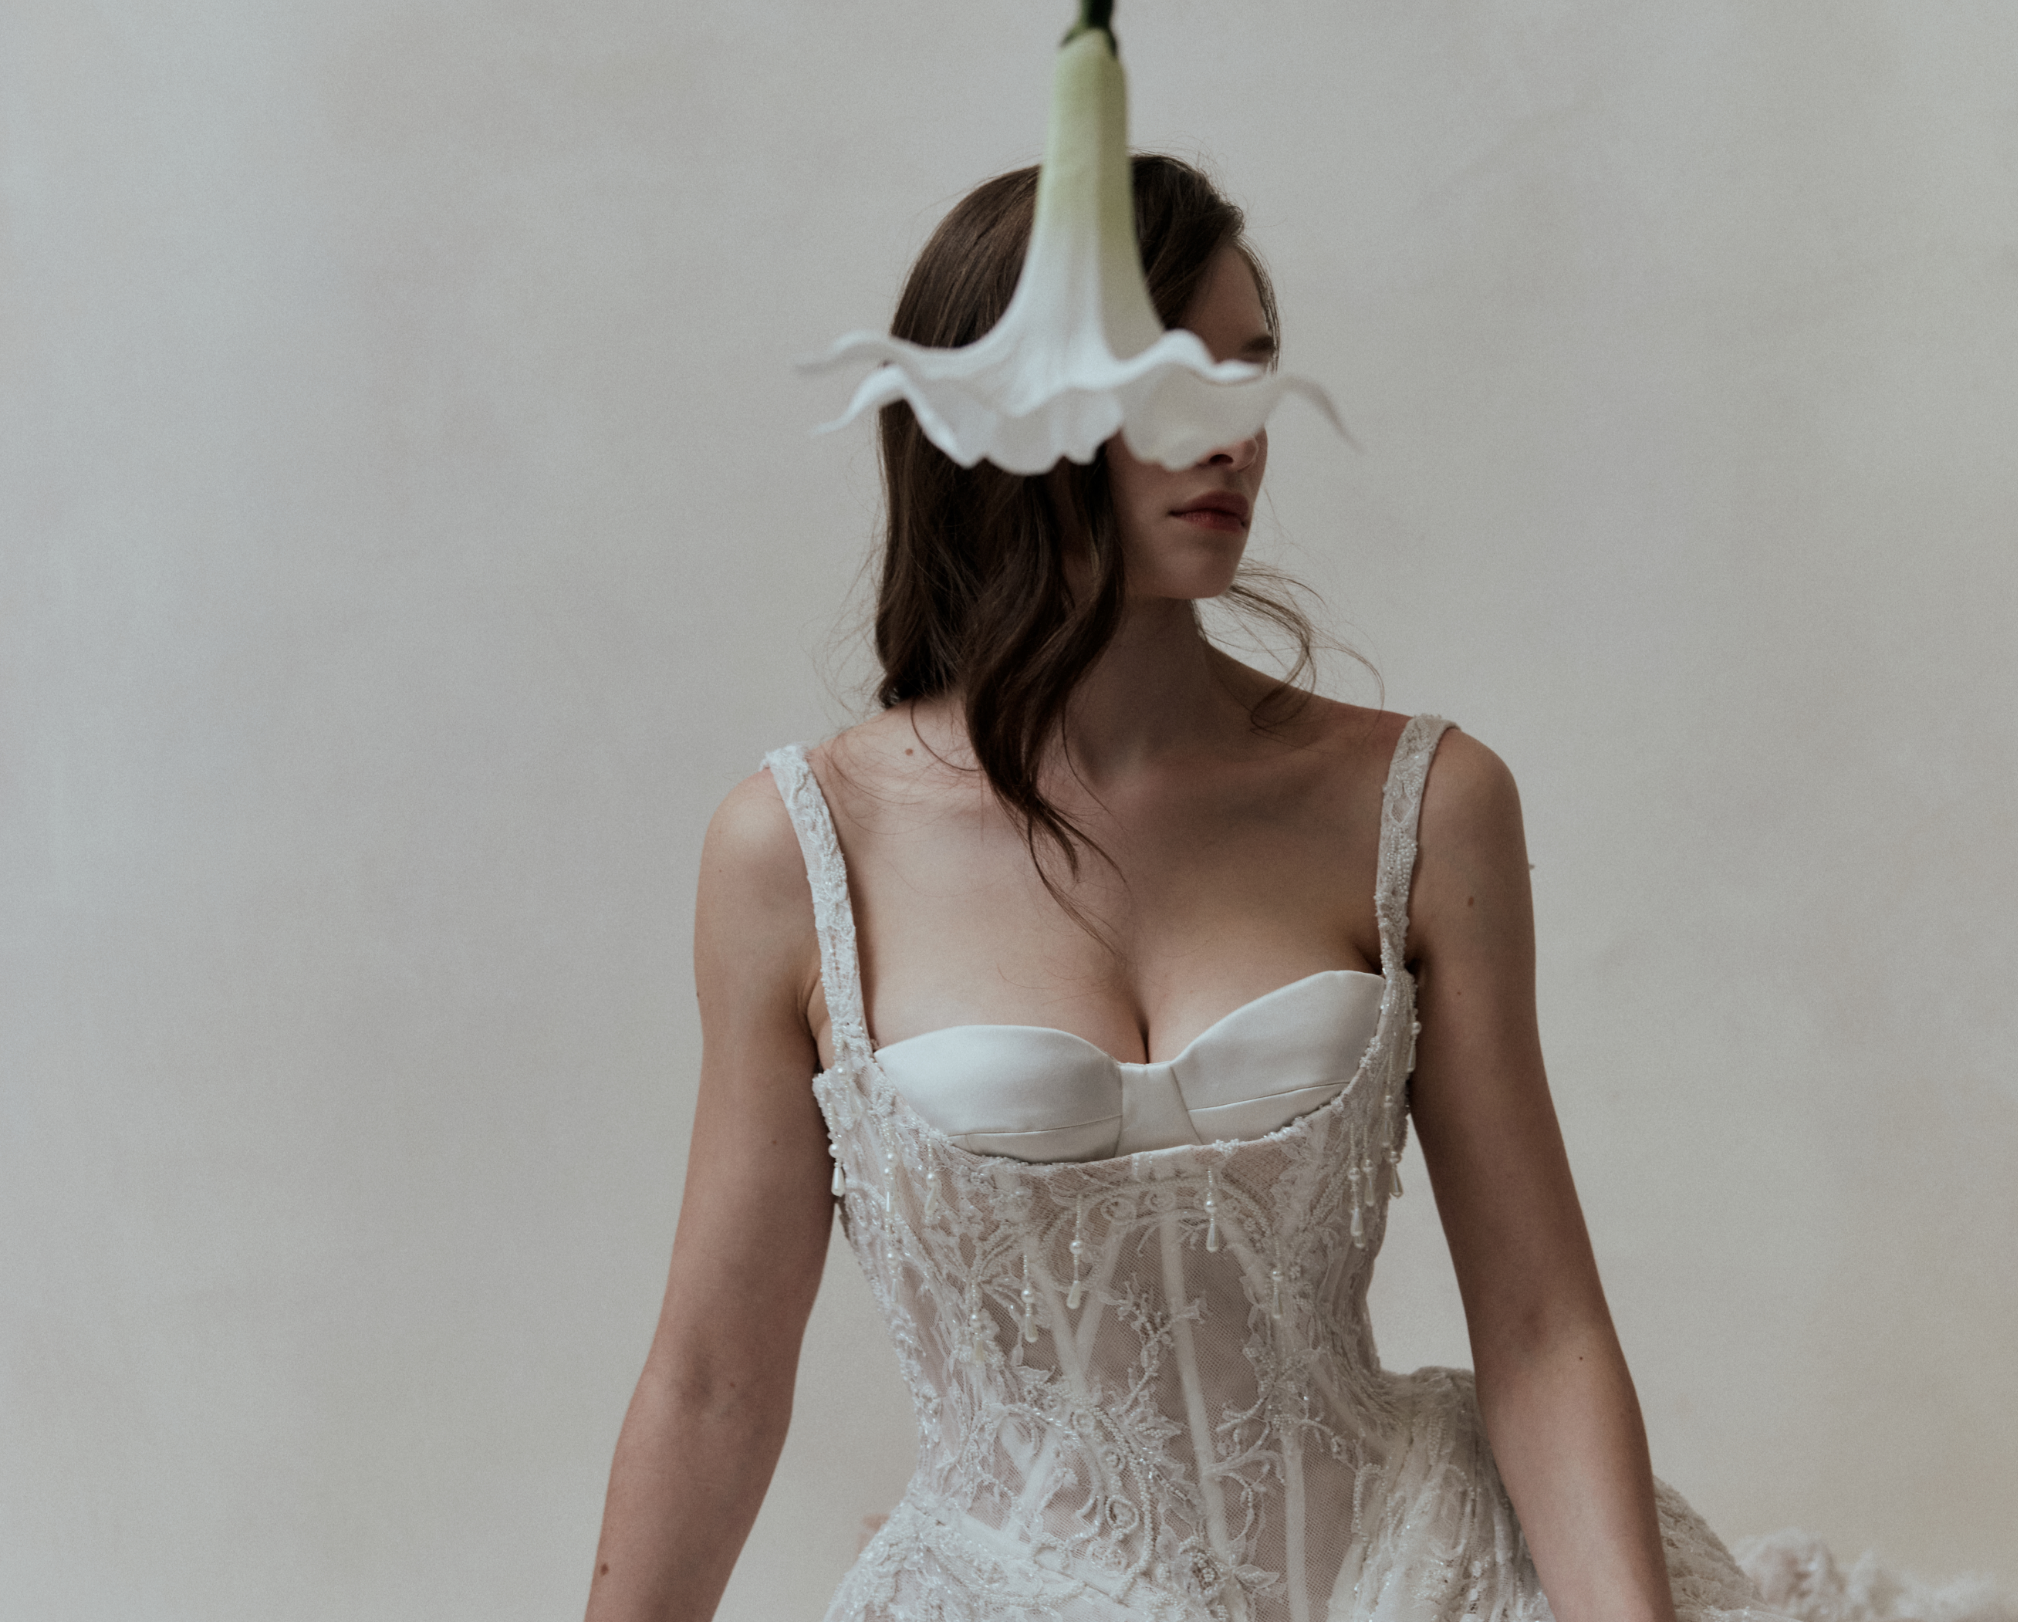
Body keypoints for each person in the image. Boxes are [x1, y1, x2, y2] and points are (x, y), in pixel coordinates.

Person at [582, 158, 1845, 1622]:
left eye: (1252, 372)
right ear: (1011, 412)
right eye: (1173, 375)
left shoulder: (1425, 803)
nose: (1234, 434)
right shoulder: (800, 849)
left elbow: (1543, 1321)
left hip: (1421, 1573)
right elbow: (714, 1377)